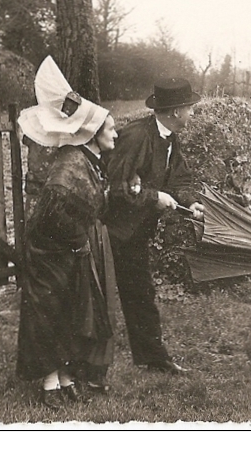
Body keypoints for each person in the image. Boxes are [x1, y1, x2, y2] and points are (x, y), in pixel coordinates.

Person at [15, 56, 119, 410]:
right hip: (48, 252)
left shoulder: (87, 161)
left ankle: (66, 377)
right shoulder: (71, 166)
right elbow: (56, 210)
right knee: (48, 314)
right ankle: (48, 384)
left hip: (68, 250)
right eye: (111, 130)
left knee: (71, 312)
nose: (116, 134)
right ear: (92, 135)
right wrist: (73, 246)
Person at [102, 78, 206, 375]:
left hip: (135, 234)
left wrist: (189, 202)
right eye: (189, 108)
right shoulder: (136, 137)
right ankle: (87, 368)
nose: (192, 114)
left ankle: (153, 358)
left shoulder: (170, 137)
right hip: (111, 233)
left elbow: (179, 179)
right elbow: (115, 188)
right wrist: (154, 197)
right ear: (175, 111)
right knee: (100, 299)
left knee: (141, 294)